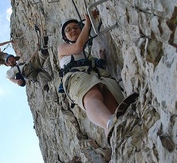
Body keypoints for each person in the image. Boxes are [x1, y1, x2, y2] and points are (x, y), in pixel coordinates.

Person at [58, 14, 138, 144]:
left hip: (97, 75)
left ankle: (117, 142)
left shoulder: (87, 53)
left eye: (76, 27)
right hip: (76, 76)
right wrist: (88, 23)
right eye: (68, 29)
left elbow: (85, 54)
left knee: (114, 109)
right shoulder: (62, 47)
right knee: (92, 94)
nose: (73, 30)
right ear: (64, 37)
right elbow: (78, 46)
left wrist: (100, 60)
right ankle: (108, 122)